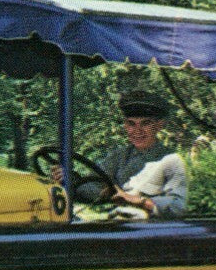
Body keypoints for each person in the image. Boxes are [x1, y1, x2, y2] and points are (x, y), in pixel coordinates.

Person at [71, 90, 188, 218]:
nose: (137, 131)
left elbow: (178, 206)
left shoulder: (171, 160)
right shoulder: (119, 156)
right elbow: (91, 187)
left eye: (146, 123)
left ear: (159, 125)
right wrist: (70, 179)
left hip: (149, 230)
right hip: (117, 225)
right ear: (126, 126)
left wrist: (136, 200)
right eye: (131, 124)